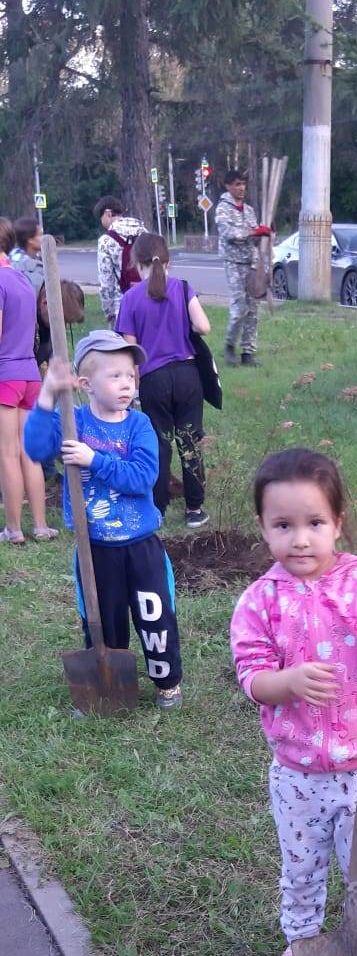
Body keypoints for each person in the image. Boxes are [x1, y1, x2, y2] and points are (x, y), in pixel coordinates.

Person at [230, 447, 357, 956]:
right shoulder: (259, 602)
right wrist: (287, 681)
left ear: (337, 522)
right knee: (303, 871)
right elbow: (252, 679)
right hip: (298, 774)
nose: (301, 539)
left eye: (314, 523)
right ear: (264, 529)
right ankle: (302, 950)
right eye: (283, 526)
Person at [23, 330, 184, 710]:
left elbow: (143, 477)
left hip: (141, 545)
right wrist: (47, 395)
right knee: (102, 618)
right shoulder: (72, 422)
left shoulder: (139, 425)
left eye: (130, 375)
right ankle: (109, 684)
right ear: (85, 384)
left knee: (155, 614)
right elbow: (36, 448)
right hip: (95, 548)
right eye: (115, 376)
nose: (126, 383)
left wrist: (93, 460)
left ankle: (167, 681)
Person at [115, 232, 211, 528]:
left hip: (153, 379)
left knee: (158, 442)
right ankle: (194, 508)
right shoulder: (183, 288)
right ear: (167, 261)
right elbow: (204, 327)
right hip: (187, 375)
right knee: (191, 440)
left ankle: (157, 506)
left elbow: (130, 350)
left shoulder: (130, 299)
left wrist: (132, 387)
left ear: (136, 263)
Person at [0, 216, 55, 543]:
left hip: (4, 375)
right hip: (29, 374)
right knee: (28, 452)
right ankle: (40, 524)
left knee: (7, 453)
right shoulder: (19, 277)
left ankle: (13, 528)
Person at [215, 170, 271, 366]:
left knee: (253, 309)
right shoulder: (223, 208)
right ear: (228, 186)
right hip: (233, 263)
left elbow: (252, 237)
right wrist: (253, 231)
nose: (242, 188)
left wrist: (263, 234)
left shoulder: (248, 210)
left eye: (243, 184)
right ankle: (230, 345)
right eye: (237, 184)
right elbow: (228, 233)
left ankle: (248, 353)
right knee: (240, 307)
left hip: (251, 263)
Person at [93, 195, 145, 326]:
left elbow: (106, 282)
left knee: (124, 346)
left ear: (108, 214)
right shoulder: (144, 232)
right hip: (148, 301)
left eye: (101, 218)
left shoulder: (106, 241)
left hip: (122, 306)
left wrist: (109, 312)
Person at [10, 217, 44, 294]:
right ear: (30, 240)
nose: (44, 238)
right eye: (41, 234)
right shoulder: (19, 265)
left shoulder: (36, 258)